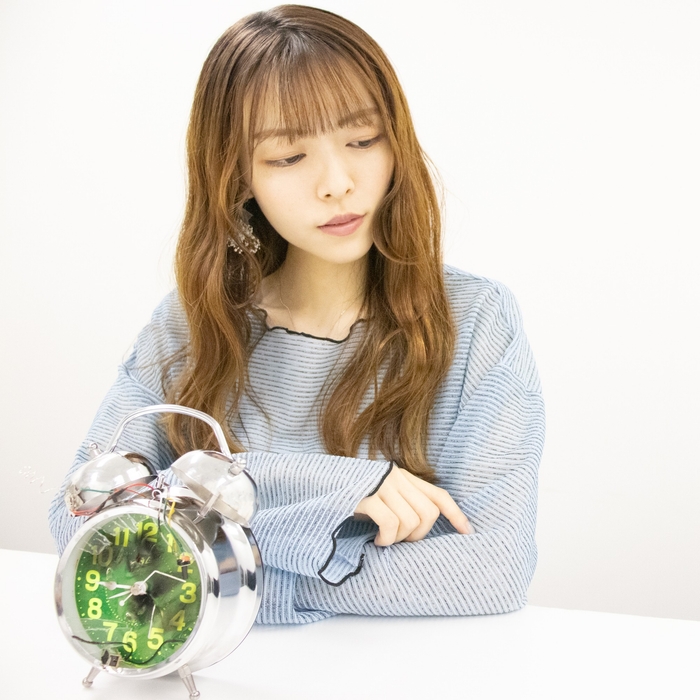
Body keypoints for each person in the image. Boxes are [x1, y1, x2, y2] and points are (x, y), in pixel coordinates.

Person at [49, 4, 545, 625]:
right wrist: (334, 486)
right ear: (237, 175)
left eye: (363, 140)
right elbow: (80, 519)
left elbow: (491, 572)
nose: (337, 183)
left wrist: (214, 568)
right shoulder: (190, 325)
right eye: (288, 157)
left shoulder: (476, 321)